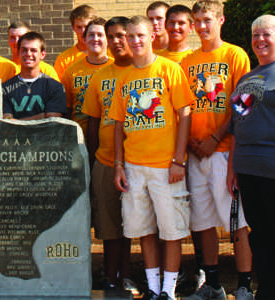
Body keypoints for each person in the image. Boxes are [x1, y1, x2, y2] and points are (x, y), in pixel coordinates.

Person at [109, 16, 192, 300]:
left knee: (171, 231)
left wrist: (179, 159)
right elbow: (119, 124)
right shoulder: (123, 78)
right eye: (130, 36)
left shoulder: (169, 69)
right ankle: (154, 289)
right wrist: (119, 165)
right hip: (134, 167)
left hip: (165, 166)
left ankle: (169, 290)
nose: (135, 41)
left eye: (140, 35)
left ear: (152, 36)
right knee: (143, 230)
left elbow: (184, 114)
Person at [180, 1, 253, 300]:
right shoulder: (186, 62)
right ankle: (213, 285)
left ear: (220, 20)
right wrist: (192, 144)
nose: (201, 26)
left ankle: (245, 286)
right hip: (197, 154)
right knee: (203, 222)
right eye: (197, 20)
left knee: (237, 222)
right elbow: (182, 108)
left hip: (223, 150)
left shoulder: (235, 54)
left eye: (207, 19)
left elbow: (243, 104)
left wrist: (217, 138)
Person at [82, 16, 136, 294]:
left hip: (141, 160)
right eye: (111, 36)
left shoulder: (144, 71)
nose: (116, 42)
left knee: (136, 224)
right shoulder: (100, 77)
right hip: (105, 160)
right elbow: (92, 122)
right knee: (110, 224)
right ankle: (111, 276)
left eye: (121, 35)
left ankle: (130, 275)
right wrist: (92, 161)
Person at [227, 14, 275, 300]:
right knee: (261, 235)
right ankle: (266, 290)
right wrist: (232, 168)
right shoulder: (248, 79)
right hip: (247, 168)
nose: (260, 40)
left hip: (272, 167)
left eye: (266, 34)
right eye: (255, 35)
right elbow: (238, 124)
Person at [62, 17, 114, 134]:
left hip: (110, 139)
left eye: (100, 35)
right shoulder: (71, 71)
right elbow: (67, 110)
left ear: (108, 39)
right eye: (91, 35)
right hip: (80, 139)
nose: (95, 39)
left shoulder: (117, 68)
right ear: (84, 39)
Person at [2, 31, 66, 120]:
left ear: (42, 54)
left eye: (33, 50)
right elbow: (6, 122)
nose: (28, 54)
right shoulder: (5, 89)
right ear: (18, 53)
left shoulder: (54, 87)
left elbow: (53, 120)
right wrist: (42, 116)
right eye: (24, 50)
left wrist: (17, 121)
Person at [54, 5, 95, 78]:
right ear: (73, 28)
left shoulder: (109, 54)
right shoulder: (63, 59)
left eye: (86, 26)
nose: (83, 31)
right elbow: (58, 88)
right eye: (79, 27)